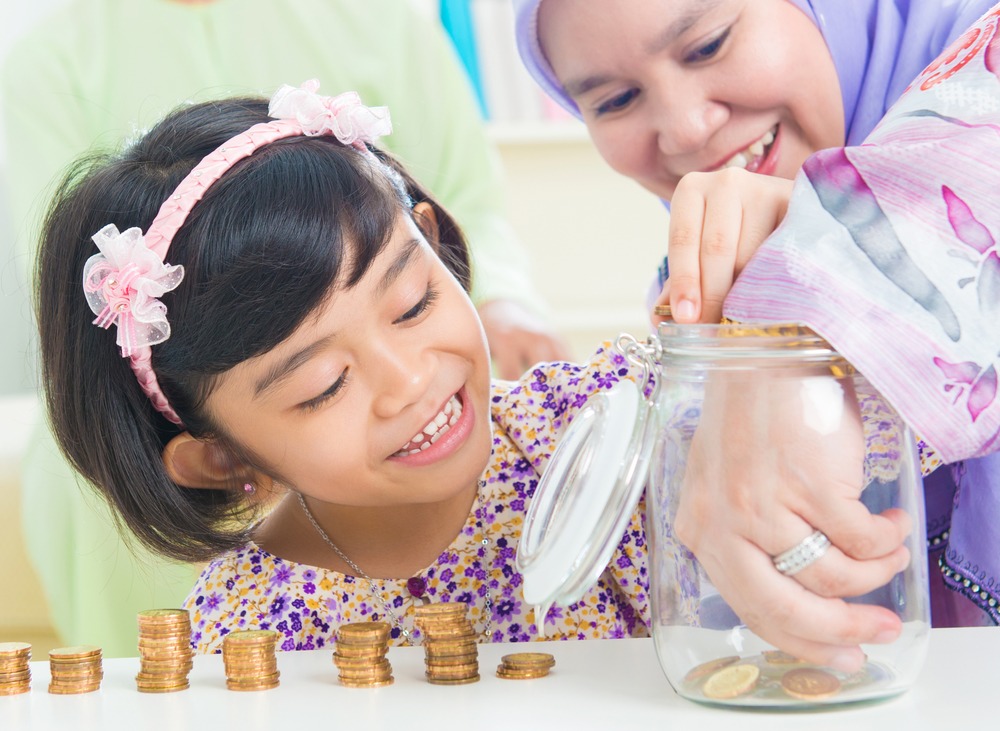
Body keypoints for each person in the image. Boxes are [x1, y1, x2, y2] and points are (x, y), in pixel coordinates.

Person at [4, 0, 571, 656]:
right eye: (324, 385)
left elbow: (467, 198)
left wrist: (501, 301)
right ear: (220, 458)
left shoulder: (383, 24)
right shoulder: (53, 61)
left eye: (413, 302)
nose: (408, 379)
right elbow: (81, 300)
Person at [514, 0, 1000, 666]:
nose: (686, 130)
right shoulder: (695, 292)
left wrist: (811, 292)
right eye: (618, 99)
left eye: (709, 44)